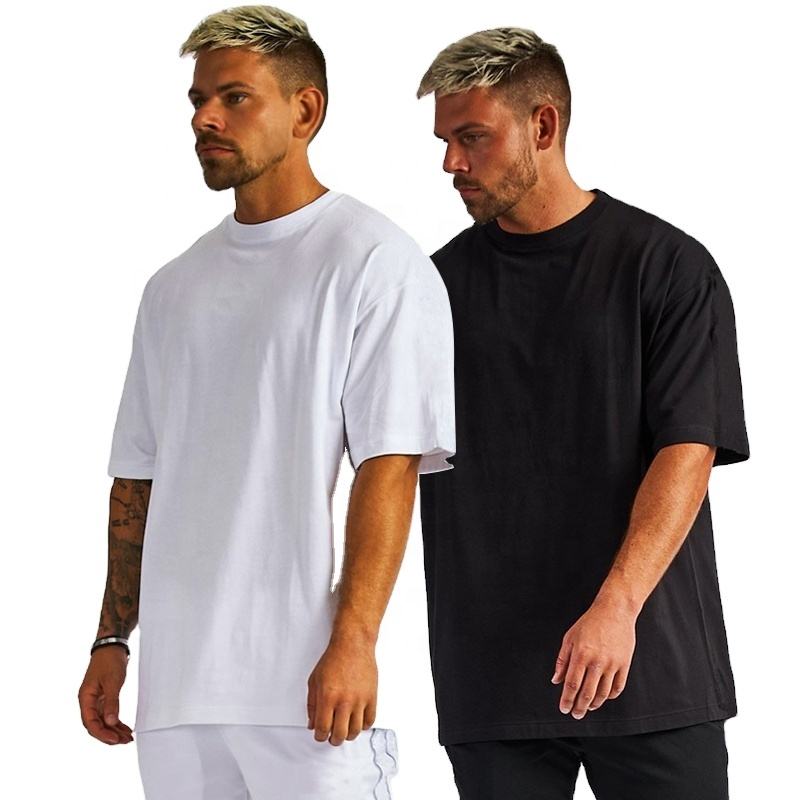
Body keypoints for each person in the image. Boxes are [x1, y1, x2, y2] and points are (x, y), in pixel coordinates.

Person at [77, 6, 455, 798]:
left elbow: (389, 463)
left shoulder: (374, 261)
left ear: (305, 111)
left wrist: (355, 641)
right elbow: (137, 477)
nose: (205, 118)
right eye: (198, 99)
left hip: (304, 692)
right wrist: (111, 638)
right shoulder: (172, 287)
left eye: (234, 97)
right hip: (176, 695)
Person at [416, 27, 749, 800]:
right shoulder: (430, 291)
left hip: (649, 666)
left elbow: (688, 450)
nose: (451, 163)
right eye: (444, 141)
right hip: (491, 682)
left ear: (543, 125)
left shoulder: (667, 267)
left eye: (472, 137)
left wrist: (616, 607)